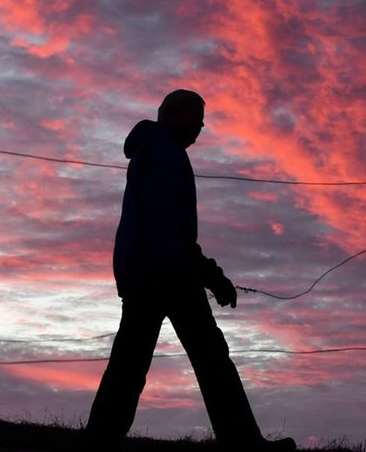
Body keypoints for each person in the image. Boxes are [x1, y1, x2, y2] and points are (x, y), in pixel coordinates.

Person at [81, 89, 296, 451]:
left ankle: (99, 440)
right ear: (175, 115)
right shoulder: (167, 154)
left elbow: (161, 224)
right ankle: (245, 444)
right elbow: (167, 226)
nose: (201, 126)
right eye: (196, 117)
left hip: (144, 270)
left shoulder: (150, 150)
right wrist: (210, 275)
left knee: (129, 365)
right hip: (167, 272)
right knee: (211, 360)